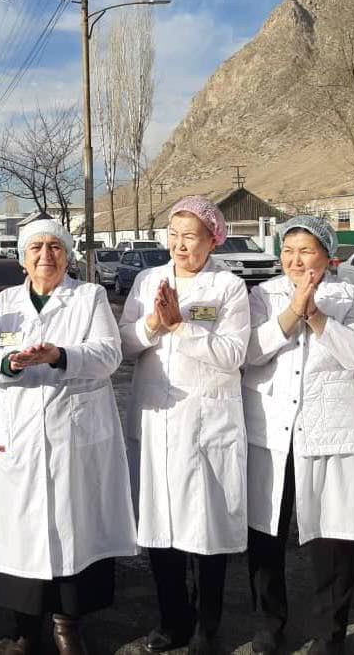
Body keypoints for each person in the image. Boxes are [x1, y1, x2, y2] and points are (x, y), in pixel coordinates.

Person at [0, 219, 137, 655]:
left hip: (73, 430)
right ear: (22, 258)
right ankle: (25, 628)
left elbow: (109, 354)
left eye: (55, 247)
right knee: (20, 528)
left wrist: (60, 355)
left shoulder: (90, 297)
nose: (46, 255)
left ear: (67, 255)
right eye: (36, 248)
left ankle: (67, 625)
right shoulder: (5, 302)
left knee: (72, 525)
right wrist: (9, 363)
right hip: (17, 430)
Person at [119, 196, 251, 654]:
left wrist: (181, 328)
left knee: (206, 528)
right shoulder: (147, 280)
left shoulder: (229, 287)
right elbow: (124, 343)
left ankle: (206, 628)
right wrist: (154, 324)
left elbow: (233, 354)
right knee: (160, 526)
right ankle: (172, 619)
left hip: (207, 422)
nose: (179, 245)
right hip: (157, 420)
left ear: (212, 240)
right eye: (173, 235)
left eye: (190, 237)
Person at [243, 216, 354, 655]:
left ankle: (330, 634)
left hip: (329, 432)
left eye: (306, 251)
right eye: (288, 251)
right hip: (271, 432)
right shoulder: (262, 295)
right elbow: (249, 352)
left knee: (332, 539)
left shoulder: (350, 297)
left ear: (327, 255)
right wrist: (290, 313)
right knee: (266, 534)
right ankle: (269, 623)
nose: (295, 260)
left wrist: (316, 315)